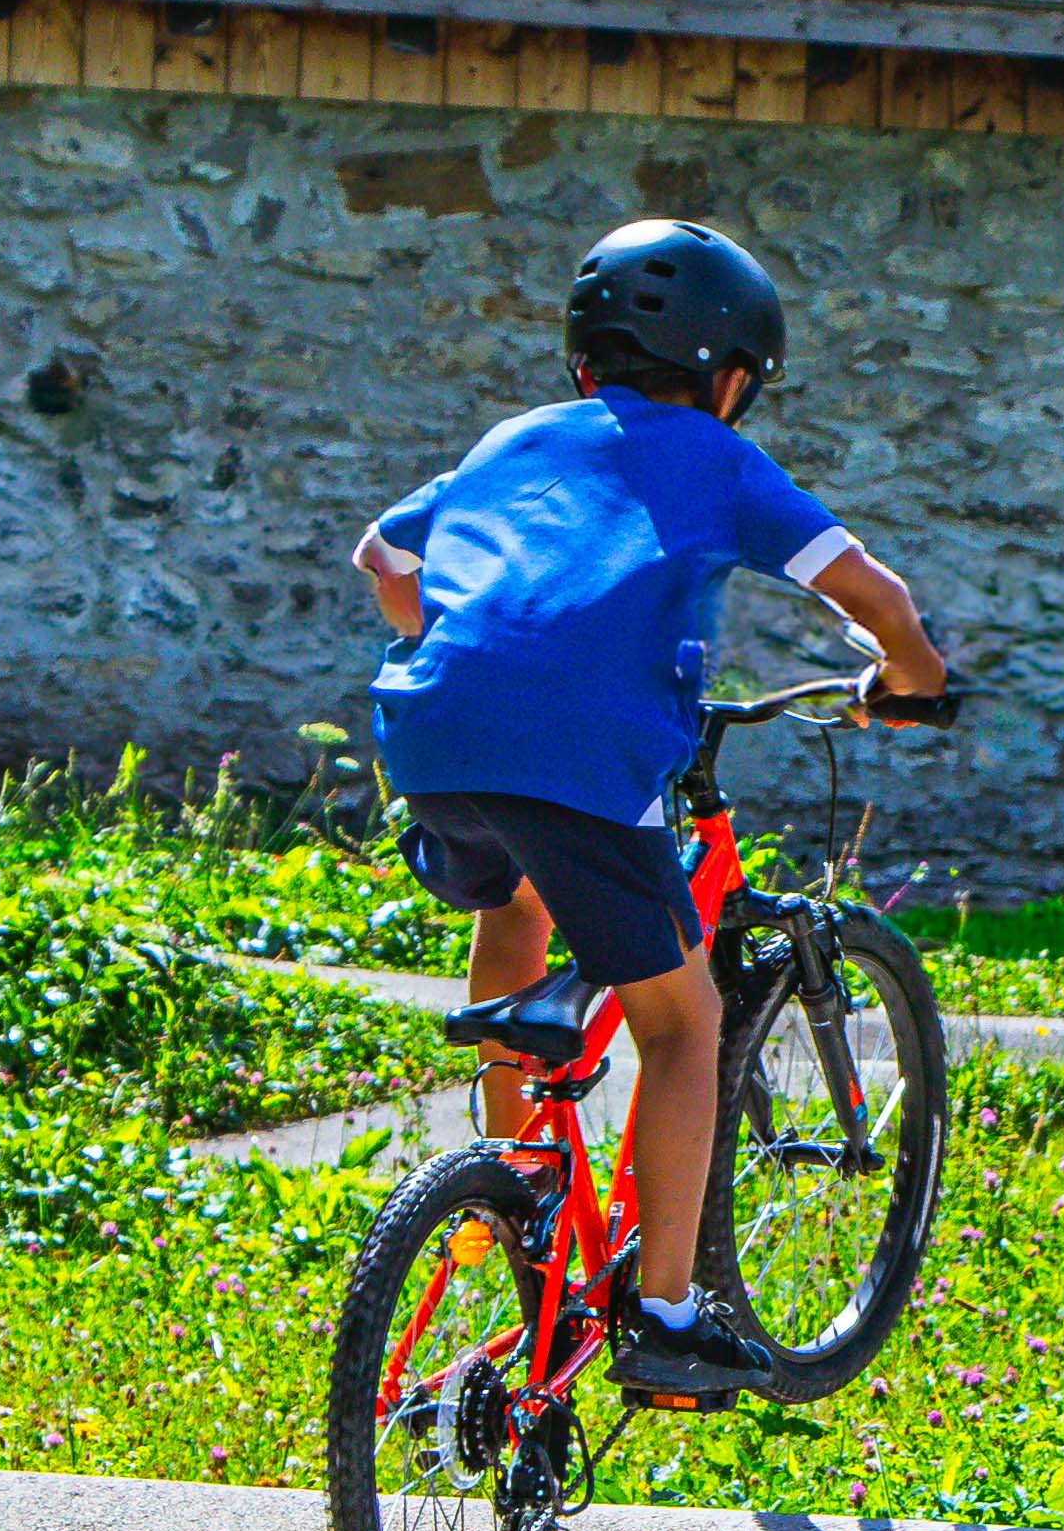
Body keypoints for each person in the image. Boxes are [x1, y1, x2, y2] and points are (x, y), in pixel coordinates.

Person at [354, 219, 951, 1398]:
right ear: (730, 377)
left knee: (516, 899)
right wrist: (913, 677)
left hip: (430, 735)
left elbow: (382, 555)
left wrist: (461, 650)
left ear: (584, 362)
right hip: (581, 749)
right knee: (683, 1021)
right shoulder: (715, 457)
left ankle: (511, 1178)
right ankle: (668, 1316)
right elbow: (863, 589)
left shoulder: (512, 438)